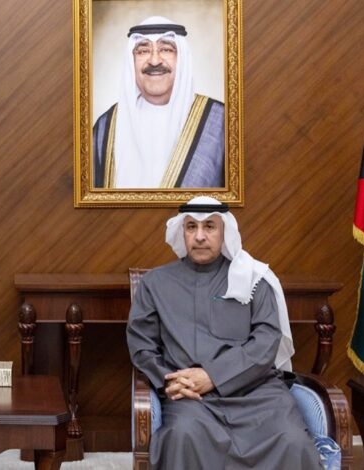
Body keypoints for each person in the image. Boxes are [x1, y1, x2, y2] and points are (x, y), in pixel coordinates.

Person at [126, 196, 320, 469]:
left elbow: (266, 342)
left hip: (257, 393)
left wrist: (213, 376)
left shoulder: (254, 279)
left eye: (209, 226)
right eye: (191, 227)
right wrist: (169, 382)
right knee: (183, 435)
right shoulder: (154, 283)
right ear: (182, 232)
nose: (200, 236)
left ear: (224, 231)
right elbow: (142, 346)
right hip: (191, 397)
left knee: (292, 441)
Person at [92, 16, 225, 189]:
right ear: (132, 62)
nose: (154, 61)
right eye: (143, 51)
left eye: (166, 49)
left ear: (182, 59)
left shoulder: (221, 122)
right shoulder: (105, 127)